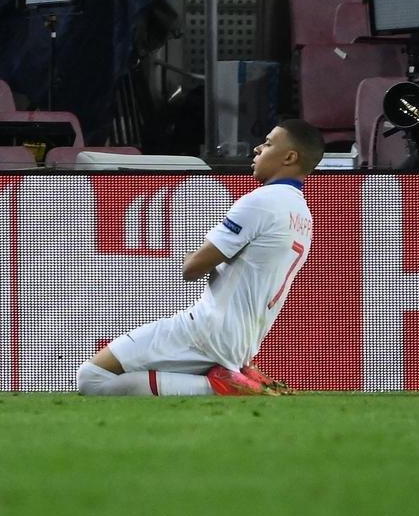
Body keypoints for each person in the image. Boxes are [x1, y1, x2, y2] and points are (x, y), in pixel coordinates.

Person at [76, 119, 325, 396]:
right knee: (132, 376)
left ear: (290, 157)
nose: (257, 149)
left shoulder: (261, 201)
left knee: (93, 376)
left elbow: (192, 269)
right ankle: (234, 379)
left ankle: (222, 387)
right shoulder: (303, 214)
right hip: (242, 340)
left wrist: (192, 254)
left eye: (267, 144)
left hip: (207, 329)